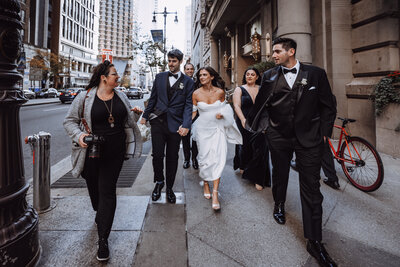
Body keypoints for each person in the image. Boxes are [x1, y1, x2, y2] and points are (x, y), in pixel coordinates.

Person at [246, 37, 337, 266]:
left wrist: (324, 132)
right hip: (279, 137)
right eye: (273, 52)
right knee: (280, 174)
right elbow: (261, 106)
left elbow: (328, 104)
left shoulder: (316, 74)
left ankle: (314, 240)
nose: (273, 55)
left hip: (309, 138)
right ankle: (279, 204)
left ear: (291, 51)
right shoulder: (269, 76)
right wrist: (266, 127)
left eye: (277, 51)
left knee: (312, 187)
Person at [63, 60, 142, 262]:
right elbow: (69, 121)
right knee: (94, 188)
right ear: (104, 77)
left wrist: (134, 116)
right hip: (91, 151)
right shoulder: (85, 96)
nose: (118, 76)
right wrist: (80, 136)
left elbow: (125, 121)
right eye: (114, 74)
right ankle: (100, 213)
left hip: (115, 152)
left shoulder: (121, 96)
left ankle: (103, 239)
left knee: (107, 190)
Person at [140, 49, 195, 203]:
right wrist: (145, 116)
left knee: (172, 157)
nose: (171, 64)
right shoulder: (159, 77)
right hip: (157, 122)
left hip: (176, 125)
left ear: (180, 61)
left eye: (174, 61)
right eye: (169, 61)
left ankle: (170, 188)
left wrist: (186, 124)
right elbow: (153, 99)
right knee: (157, 155)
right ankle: (159, 182)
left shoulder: (189, 82)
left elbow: (188, 105)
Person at [192, 66, 242, 211]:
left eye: (204, 75)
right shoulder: (195, 93)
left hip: (217, 129)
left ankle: (215, 193)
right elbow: (193, 114)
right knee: (204, 159)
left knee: (218, 159)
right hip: (202, 130)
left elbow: (226, 109)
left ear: (212, 76)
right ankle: (206, 184)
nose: (201, 77)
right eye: (200, 75)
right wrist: (185, 126)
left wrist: (222, 114)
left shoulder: (220, 92)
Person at [232, 67, 271, 190]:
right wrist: (242, 119)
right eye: (247, 74)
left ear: (257, 77)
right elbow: (236, 106)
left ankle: (259, 178)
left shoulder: (261, 89)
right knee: (245, 146)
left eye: (252, 74)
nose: (249, 76)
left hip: (259, 122)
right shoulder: (239, 89)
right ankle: (243, 165)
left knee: (261, 147)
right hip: (243, 120)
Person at [182, 62, 199, 169]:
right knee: (185, 138)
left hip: (197, 113)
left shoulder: (197, 83)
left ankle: (194, 159)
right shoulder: (181, 82)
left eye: (191, 69)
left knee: (195, 138)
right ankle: (187, 159)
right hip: (184, 114)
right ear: (184, 70)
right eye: (187, 69)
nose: (189, 71)